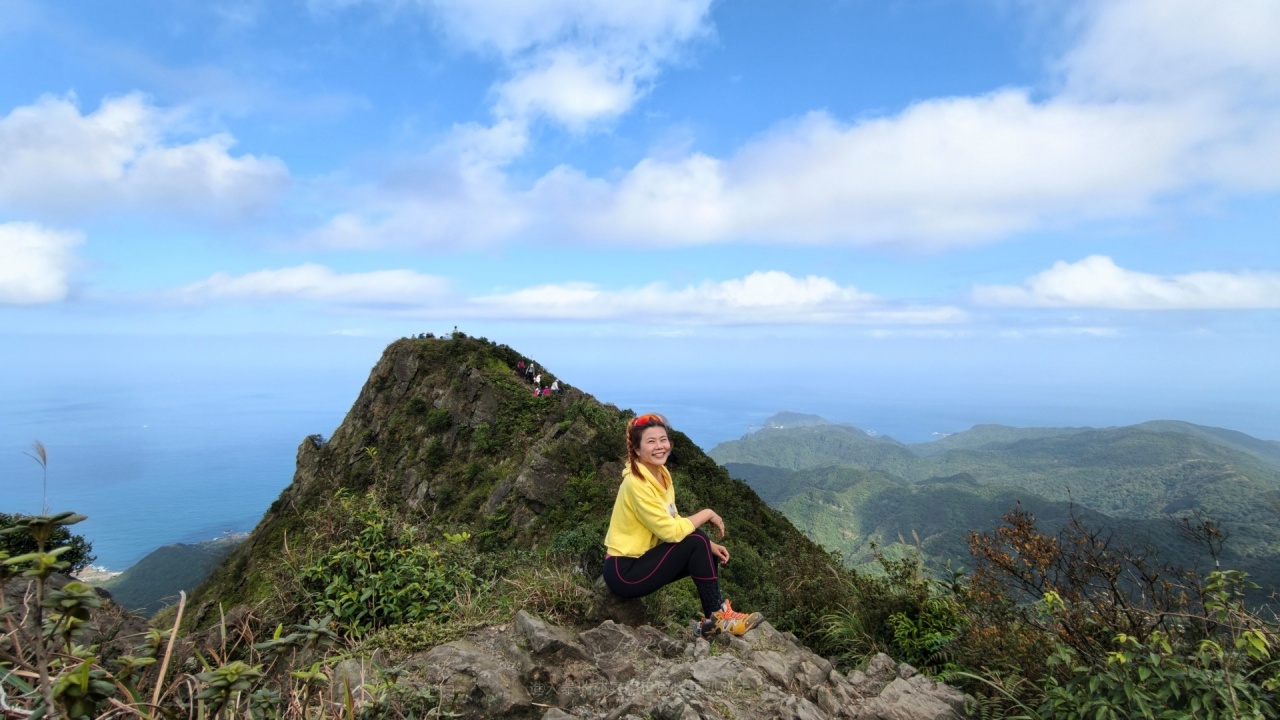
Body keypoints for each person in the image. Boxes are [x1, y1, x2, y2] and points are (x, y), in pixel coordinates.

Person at [602, 413, 763, 638]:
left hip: (642, 560)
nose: (660, 446)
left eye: (663, 439)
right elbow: (670, 532)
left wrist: (710, 543)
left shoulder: (661, 475)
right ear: (637, 450)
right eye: (651, 441)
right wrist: (706, 513)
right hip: (625, 572)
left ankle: (713, 621)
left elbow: (673, 519)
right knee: (697, 540)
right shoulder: (636, 484)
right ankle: (718, 618)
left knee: (704, 545)